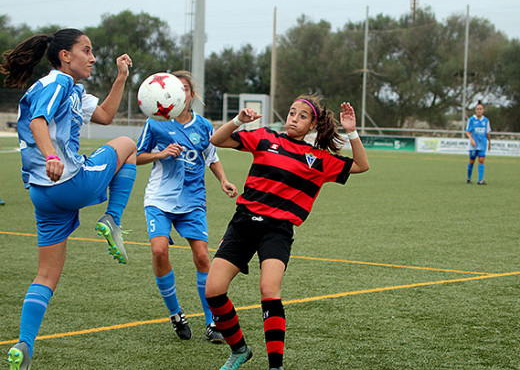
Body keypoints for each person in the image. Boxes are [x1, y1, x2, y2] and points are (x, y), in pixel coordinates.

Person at [1, 28, 137, 370]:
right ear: (65, 56)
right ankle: (113, 217)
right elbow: (38, 122)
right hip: (67, 180)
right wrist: (51, 157)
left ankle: (24, 345)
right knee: (128, 145)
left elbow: (105, 115)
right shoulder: (57, 83)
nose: (92, 58)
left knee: (45, 276)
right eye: (86, 50)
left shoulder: (73, 90)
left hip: (43, 196)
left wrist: (121, 77)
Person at [205, 94, 370, 370]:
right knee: (214, 291)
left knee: (269, 290)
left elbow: (361, 165)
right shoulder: (265, 137)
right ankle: (239, 350)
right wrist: (237, 121)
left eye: (302, 116)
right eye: (292, 113)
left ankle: (275, 366)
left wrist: (351, 131)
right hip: (243, 224)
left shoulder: (318, 159)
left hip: (277, 230)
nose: (294, 119)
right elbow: (216, 140)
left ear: (312, 125)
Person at [136, 70, 237, 343]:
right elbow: (136, 157)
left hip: (193, 201)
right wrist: (161, 153)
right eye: (177, 88)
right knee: (159, 251)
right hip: (159, 199)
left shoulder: (203, 125)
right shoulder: (155, 123)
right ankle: (176, 313)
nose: (182, 93)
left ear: (191, 95)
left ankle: (211, 322)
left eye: (186, 89)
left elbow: (211, 157)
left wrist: (224, 180)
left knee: (203, 258)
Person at [465, 100, 491, 185]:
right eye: (477, 109)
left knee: (481, 160)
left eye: (480, 109)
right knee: (472, 161)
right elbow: (467, 131)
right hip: (474, 145)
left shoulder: (486, 120)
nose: (479, 110)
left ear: (483, 110)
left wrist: (489, 142)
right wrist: (471, 139)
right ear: (475, 110)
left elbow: (487, 132)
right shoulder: (471, 120)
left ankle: (480, 180)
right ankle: (469, 178)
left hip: (482, 144)